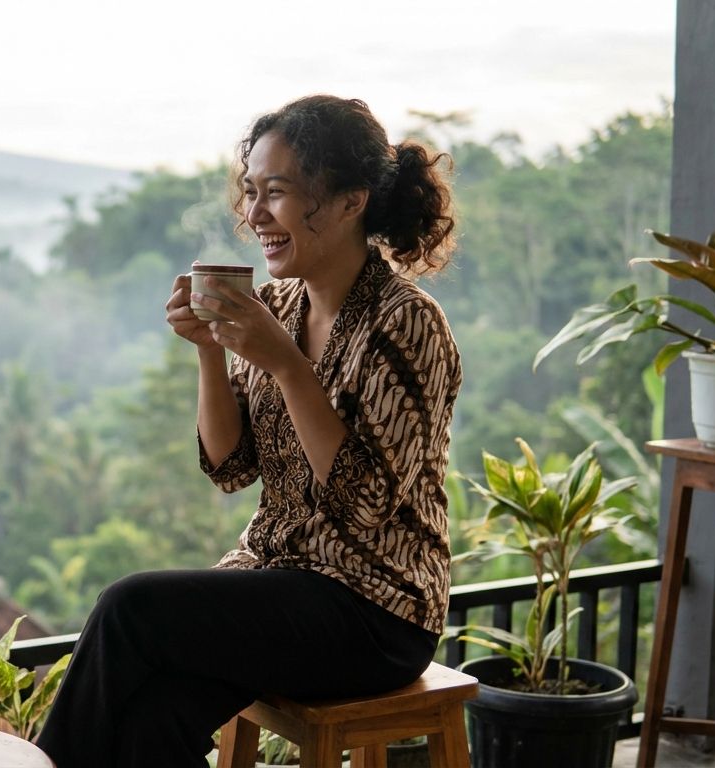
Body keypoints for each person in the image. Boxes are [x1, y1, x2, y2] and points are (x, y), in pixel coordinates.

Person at [34, 94, 461, 768]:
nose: (255, 215)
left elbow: (366, 506)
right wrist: (209, 347)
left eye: (279, 193)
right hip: (280, 580)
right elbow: (230, 467)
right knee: (153, 717)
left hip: (376, 612)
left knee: (128, 607)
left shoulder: (406, 323)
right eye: (251, 192)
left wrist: (287, 367)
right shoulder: (278, 305)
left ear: (350, 201)